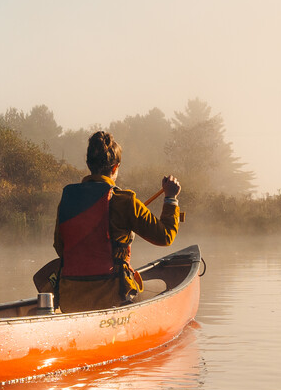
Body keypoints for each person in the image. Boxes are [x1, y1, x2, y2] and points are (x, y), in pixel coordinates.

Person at [47, 130, 183, 312]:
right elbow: (165, 236)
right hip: (111, 298)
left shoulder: (68, 199)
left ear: (88, 164)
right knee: (148, 290)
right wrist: (170, 199)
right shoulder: (125, 201)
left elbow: (59, 247)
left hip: (70, 298)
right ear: (115, 167)